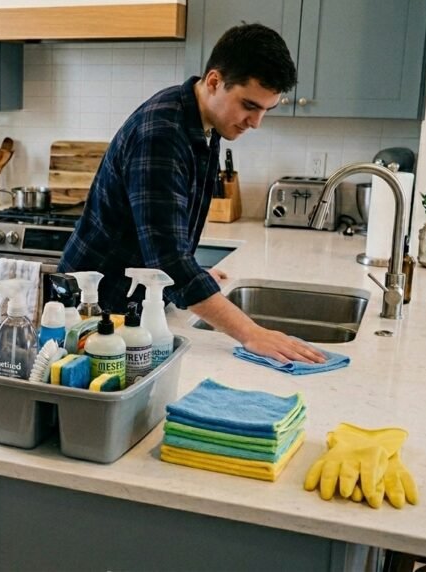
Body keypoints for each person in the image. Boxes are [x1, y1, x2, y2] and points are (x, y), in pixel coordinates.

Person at [58, 23, 325, 364]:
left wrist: (190, 276)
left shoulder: (203, 123)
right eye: (249, 105)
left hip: (129, 307)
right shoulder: (161, 134)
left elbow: (167, 235)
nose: (255, 122)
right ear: (214, 81)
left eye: (264, 110)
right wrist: (251, 333)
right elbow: (168, 259)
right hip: (93, 314)